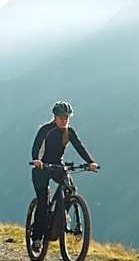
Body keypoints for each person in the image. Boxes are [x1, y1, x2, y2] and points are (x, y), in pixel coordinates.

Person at [30, 101, 98, 252]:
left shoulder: (69, 132)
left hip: (57, 165)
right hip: (41, 167)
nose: (64, 120)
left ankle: (63, 215)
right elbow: (36, 148)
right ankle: (36, 238)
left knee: (70, 188)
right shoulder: (46, 130)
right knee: (43, 201)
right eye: (61, 117)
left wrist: (90, 162)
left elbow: (79, 147)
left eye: (67, 117)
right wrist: (37, 161)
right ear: (55, 117)